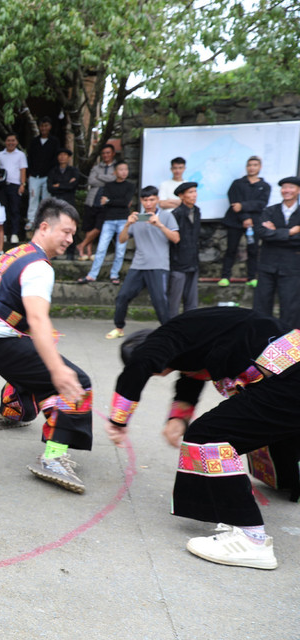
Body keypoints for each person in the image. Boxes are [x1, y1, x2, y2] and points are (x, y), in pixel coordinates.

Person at [106, 307, 300, 570]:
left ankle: (251, 538)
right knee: (259, 421)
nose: (157, 373)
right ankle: (289, 479)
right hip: (289, 369)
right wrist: (178, 417)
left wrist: (118, 420)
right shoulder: (194, 333)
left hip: (286, 376)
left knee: (208, 438)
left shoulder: (163, 339)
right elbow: (192, 376)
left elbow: (142, 363)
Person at [0, 198, 91, 493]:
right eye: (66, 232)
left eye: (73, 234)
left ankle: (11, 414)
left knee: (35, 366)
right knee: (75, 381)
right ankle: (54, 458)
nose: (70, 240)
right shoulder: (40, 268)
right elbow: (37, 319)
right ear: (45, 227)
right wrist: (58, 369)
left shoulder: (17, 252)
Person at [105, 186, 179, 339]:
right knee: (123, 296)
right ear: (141, 201)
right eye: (145, 200)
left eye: (152, 199)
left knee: (160, 301)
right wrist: (127, 224)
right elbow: (122, 239)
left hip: (159, 265)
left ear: (157, 200)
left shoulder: (166, 216)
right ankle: (119, 328)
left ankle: (169, 332)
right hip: (138, 265)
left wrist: (159, 225)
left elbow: (176, 238)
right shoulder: (138, 218)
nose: (149, 203)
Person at [254, 176, 300, 328]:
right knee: (261, 305)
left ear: (298, 190)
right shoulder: (270, 211)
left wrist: (275, 233)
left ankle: (288, 345)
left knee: (290, 307)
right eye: (284, 187)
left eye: (291, 187)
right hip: (268, 264)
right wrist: (290, 233)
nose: (286, 191)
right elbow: (261, 232)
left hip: (292, 266)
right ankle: (261, 340)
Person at [78, 161, 134, 285]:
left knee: (120, 250)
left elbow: (125, 202)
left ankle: (114, 275)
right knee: (101, 248)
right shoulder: (108, 186)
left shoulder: (130, 186)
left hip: (123, 221)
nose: (124, 172)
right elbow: (105, 202)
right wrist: (114, 202)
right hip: (109, 220)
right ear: (115, 172)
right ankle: (92, 275)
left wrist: (110, 201)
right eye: (121, 169)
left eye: (126, 169)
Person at [220, 156, 271, 288]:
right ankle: (225, 276)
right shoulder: (237, 183)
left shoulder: (264, 186)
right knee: (231, 249)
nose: (252, 168)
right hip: (235, 221)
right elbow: (234, 203)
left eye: (255, 165)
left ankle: (252, 277)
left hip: (254, 224)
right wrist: (245, 217)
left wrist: (243, 206)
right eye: (249, 165)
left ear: (260, 167)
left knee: (253, 250)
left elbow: (261, 204)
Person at [77, 144, 117, 260]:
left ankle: (82, 245)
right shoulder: (96, 167)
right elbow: (91, 181)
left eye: (108, 152)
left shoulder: (116, 167)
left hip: (106, 201)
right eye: (103, 153)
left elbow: (113, 181)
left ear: (113, 153)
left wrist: (99, 177)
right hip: (92, 200)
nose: (105, 155)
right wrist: (107, 177)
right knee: (89, 226)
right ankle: (88, 252)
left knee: (99, 226)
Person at [167, 182, 201, 318]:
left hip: (193, 261)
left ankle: (190, 326)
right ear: (181, 196)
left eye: (195, 191)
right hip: (178, 263)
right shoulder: (176, 214)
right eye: (190, 192)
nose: (194, 195)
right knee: (174, 300)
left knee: (192, 300)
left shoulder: (197, 211)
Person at [25, 117, 60, 231]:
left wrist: (53, 176)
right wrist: (29, 173)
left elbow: (55, 159)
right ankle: (31, 220)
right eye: (42, 126)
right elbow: (29, 158)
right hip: (34, 175)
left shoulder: (54, 141)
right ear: (39, 127)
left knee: (46, 199)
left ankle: (46, 220)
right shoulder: (34, 141)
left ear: (50, 127)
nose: (44, 128)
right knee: (33, 197)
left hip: (48, 176)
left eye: (46, 126)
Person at [0, 134, 28, 243]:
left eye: (13, 140)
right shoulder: (0, 155)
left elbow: (23, 170)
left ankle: (14, 234)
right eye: (8, 140)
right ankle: (3, 234)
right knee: (2, 210)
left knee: (15, 210)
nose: (10, 143)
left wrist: (22, 184)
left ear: (17, 142)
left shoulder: (20, 155)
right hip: (3, 186)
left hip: (15, 185)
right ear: (5, 142)